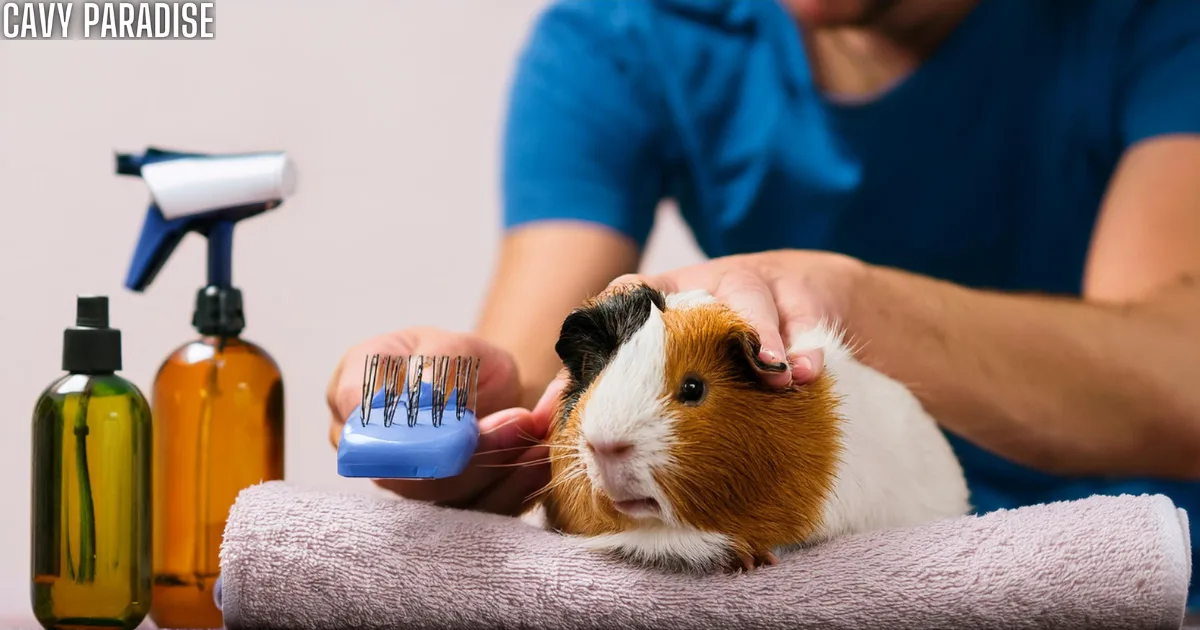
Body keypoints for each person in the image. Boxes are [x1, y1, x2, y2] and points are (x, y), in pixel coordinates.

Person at [328, 0, 1200, 604]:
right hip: (792, 572)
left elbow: (1179, 376)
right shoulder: (623, 33)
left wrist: (854, 302)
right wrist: (465, 422)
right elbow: (531, 396)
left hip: (1132, 575)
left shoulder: (1154, 23)